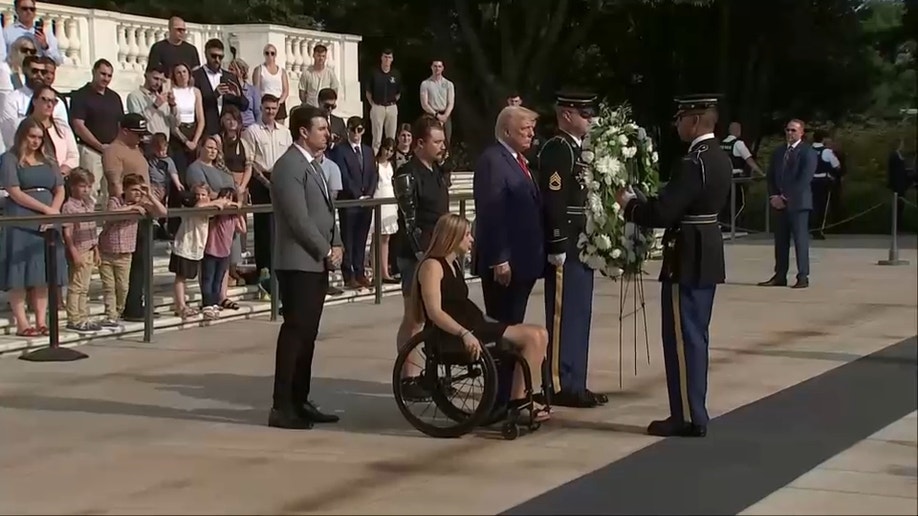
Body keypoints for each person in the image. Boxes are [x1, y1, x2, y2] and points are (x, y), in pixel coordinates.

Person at [616, 94, 732, 437]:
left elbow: (664, 214)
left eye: (681, 118)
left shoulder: (692, 163)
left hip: (688, 253)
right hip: (707, 248)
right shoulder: (720, 158)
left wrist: (630, 205)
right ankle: (694, 410)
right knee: (697, 336)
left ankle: (687, 415)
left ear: (695, 121)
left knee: (684, 338)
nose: (678, 124)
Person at [412, 214, 551, 421]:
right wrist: (464, 333)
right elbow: (435, 312)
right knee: (533, 337)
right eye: (467, 235)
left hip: (475, 323)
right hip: (454, 333)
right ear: (452, 236)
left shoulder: (453, 264)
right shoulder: (432, 266)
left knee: (540, 333)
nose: (471, 240)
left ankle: (522, 397)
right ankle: (518, 402)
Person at [269, 104, 343, 430]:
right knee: (296, 333)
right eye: (322, 129)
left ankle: (300, 399)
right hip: (298, 262)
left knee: (308, 335)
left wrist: (337, 242)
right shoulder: (289, 166)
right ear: (303, 131)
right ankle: (282, 405)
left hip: (316, 261)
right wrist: (325, 249)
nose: (328, 134)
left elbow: (327, 211)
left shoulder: (314, 165)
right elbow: (298, 219)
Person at [536, 90, 608, 408]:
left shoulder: (580, 149)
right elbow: (554, 199)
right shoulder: (558, 148)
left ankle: (576, 381)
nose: (590, 120)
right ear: (567, 115)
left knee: (580, 314)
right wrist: (556, 241)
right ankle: (559, 382)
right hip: (567, 242)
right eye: (585, 114)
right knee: (563, 315)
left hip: (584, 242)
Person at [473, 105, 544, 408]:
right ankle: (500, 399)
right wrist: (499, 258)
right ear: (506, 131)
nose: (531, 134)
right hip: (506, 264)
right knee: (505, 330)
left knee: (514, 327)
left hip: (523, 260)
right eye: (524, 128)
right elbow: (492, 211)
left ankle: (510, 395)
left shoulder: (517, 161)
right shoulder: (493, 161)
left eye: (531, 128)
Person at [392, 116, 448, 399]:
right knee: (415, 318)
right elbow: (409, 219)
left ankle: (430, 371)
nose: (441, 146)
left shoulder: (437, 170)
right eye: (436, 141)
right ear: (419, 144)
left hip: (438, 251)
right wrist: (422, 255)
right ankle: (409, 376)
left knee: (435, 315)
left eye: (442, 141)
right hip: (417, 253)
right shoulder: (407, 173)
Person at [758, 119, 816, 289]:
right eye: (788, 130)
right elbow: (771, 176)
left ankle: (803, 275)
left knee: (800, 240)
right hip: (779, 204)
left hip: (798, 204)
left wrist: (786, 197)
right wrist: (774, 196)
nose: (790, 134)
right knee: (780, 241)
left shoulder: (807, 152)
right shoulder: (779, 152)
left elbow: (804, 179)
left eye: (793, 130)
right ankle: (780, 275)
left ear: (801, 132)